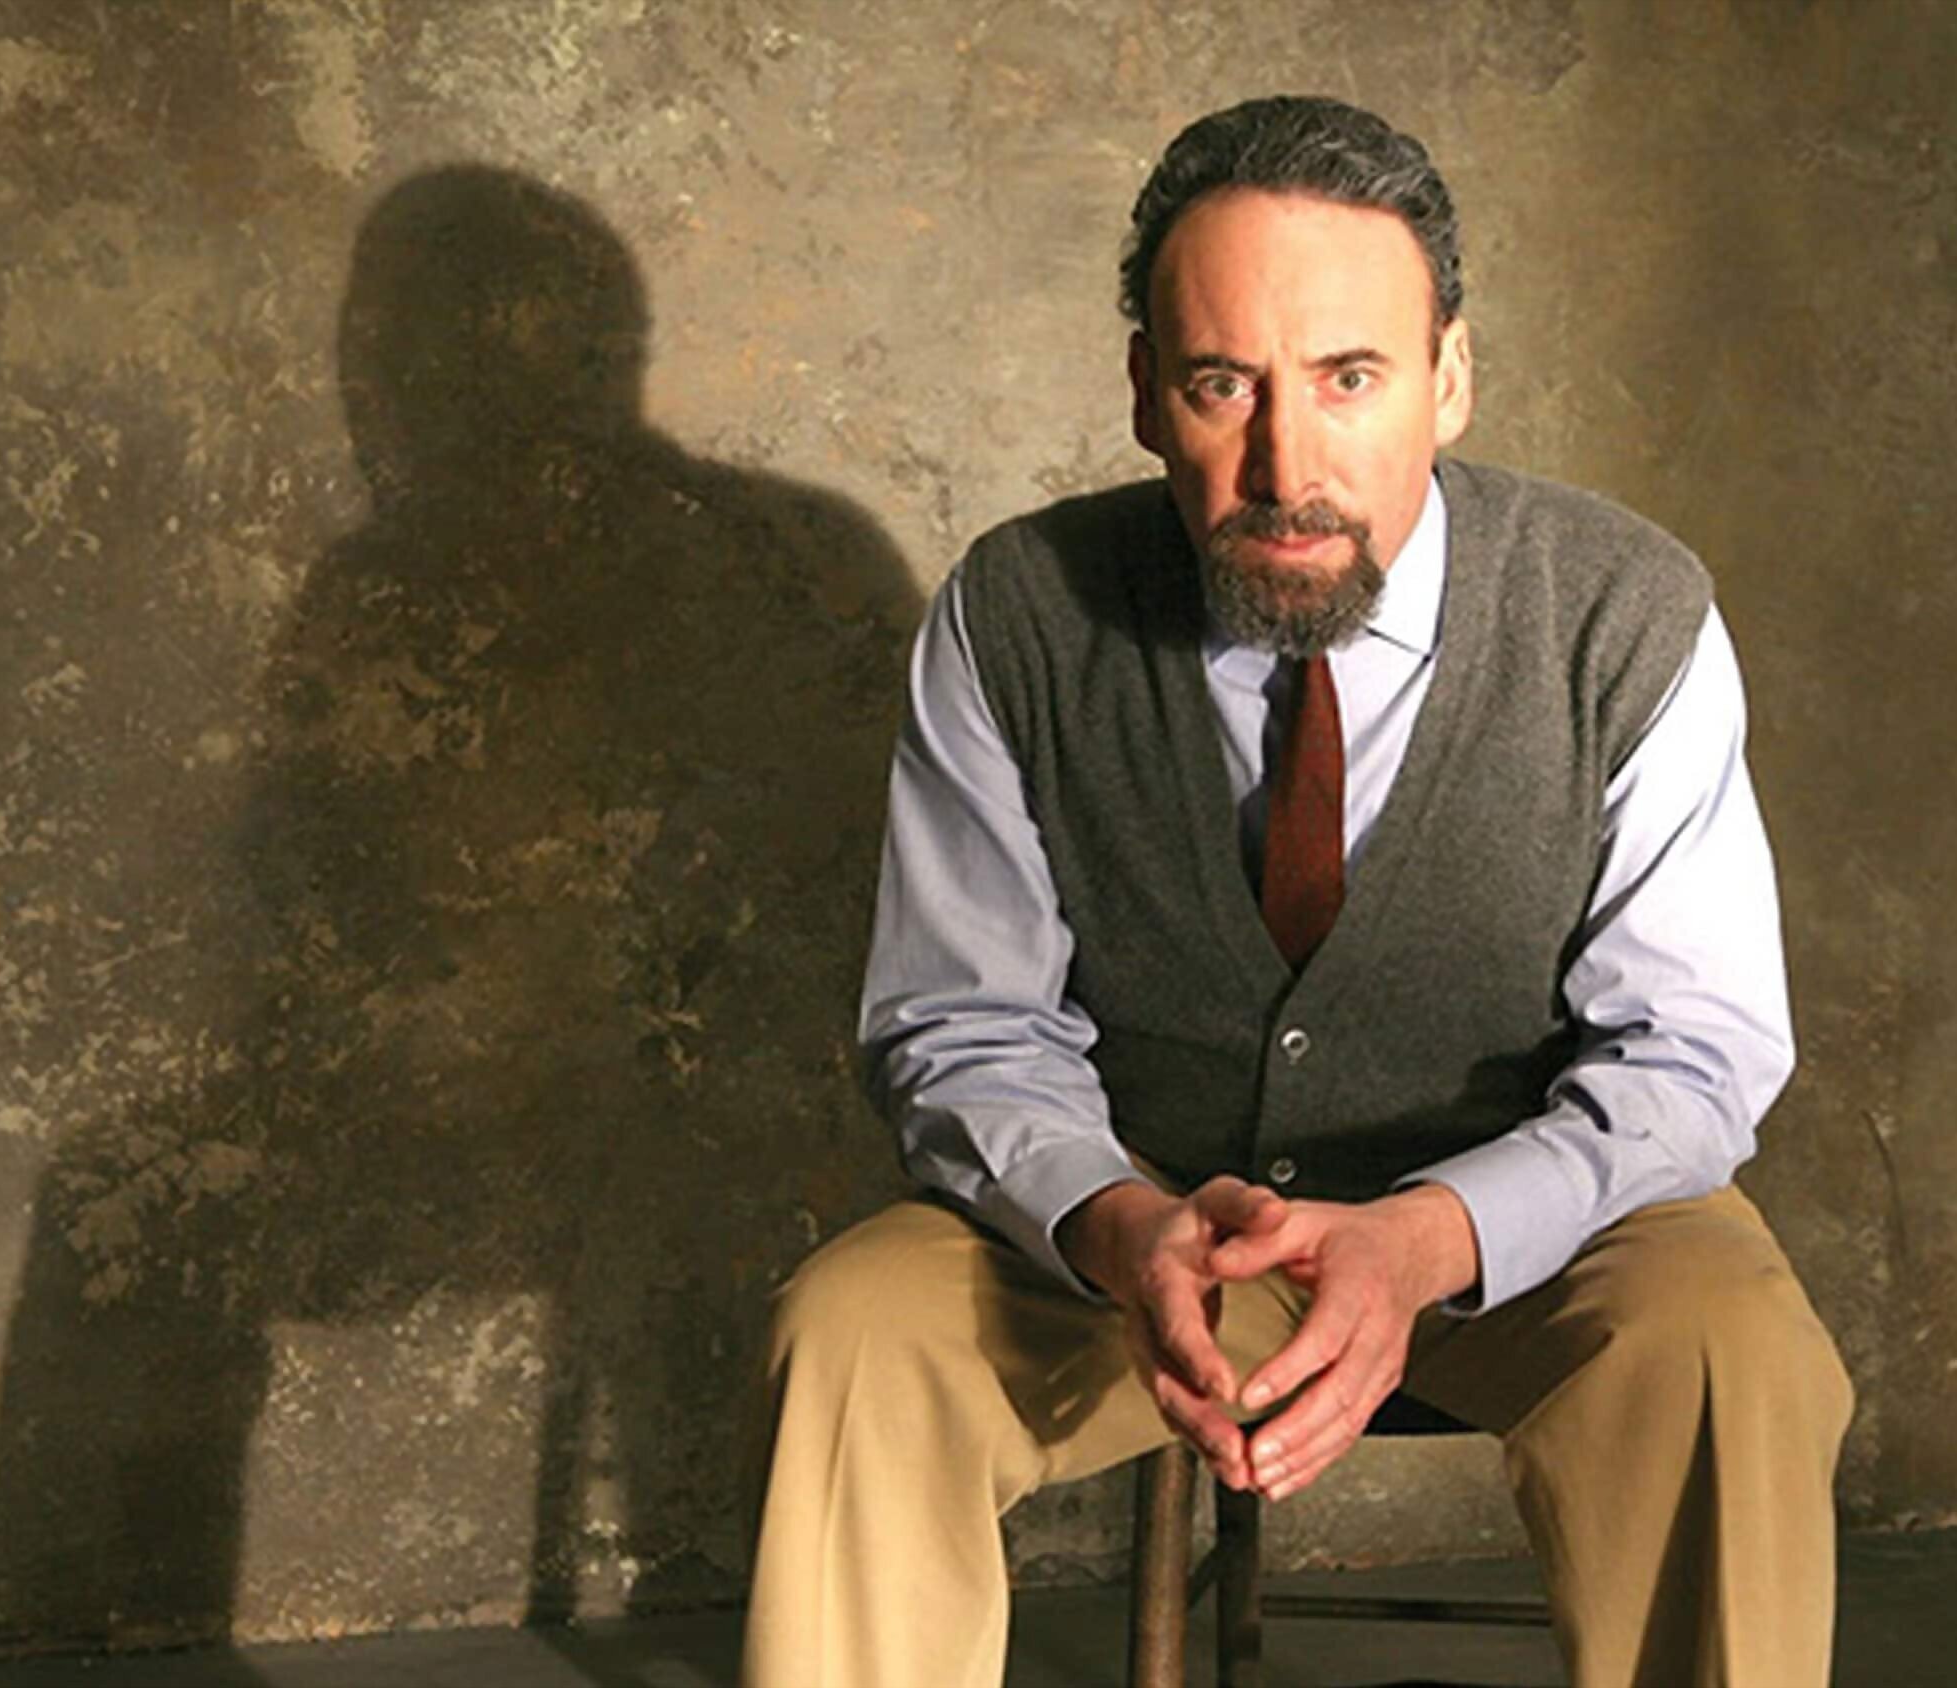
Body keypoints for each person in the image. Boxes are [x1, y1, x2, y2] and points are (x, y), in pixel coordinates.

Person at [743, 94, 1853, 1688]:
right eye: (1223, 385)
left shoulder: (1625, 614)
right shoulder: (1015, 615)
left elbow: (1693, 1055)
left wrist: (1429, 1240)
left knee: (1731, 1351)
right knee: (854, 1334)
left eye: (1350, 378)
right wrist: (1121, 1225)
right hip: (1144, 1226)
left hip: (1525, 1238)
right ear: (1146, 393)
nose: (1286, 465)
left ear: (1448, 378)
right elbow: (961, 1027)